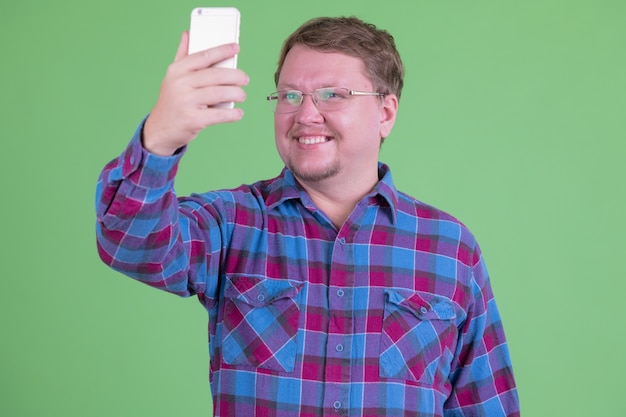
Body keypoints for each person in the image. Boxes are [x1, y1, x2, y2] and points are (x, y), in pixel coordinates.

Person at [96, 15, 520, 417]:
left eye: (333, 95)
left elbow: (485, 404)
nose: (305, 114)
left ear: (385, 113)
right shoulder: (232, 223)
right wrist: (161, 137)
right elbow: (130, 243)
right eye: (290, 95)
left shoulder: (449, 248)